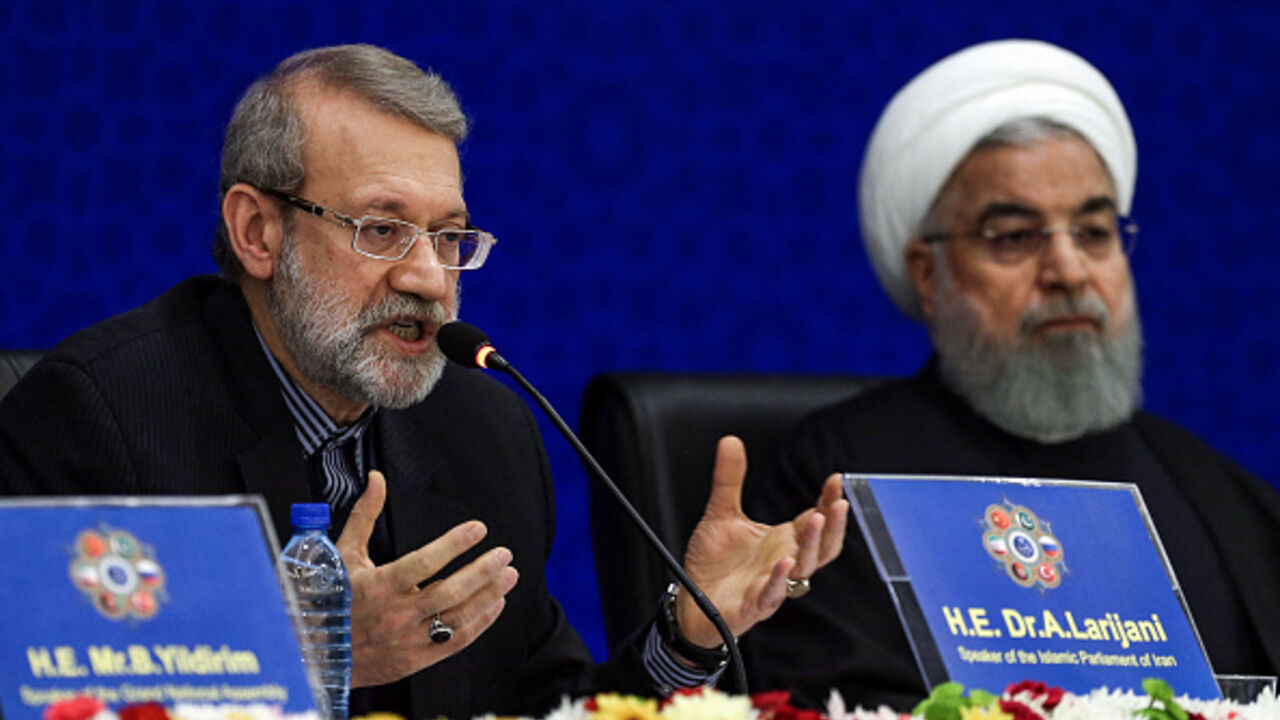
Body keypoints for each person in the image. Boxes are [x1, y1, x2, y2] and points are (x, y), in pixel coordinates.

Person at [0, 45, 849, 718]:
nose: (429, 279)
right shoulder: (102, 416)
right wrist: (308, 662)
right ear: (257, 232)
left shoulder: (481, 426)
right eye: (381, 229)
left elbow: (539, 708)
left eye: (448, 237)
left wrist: (688, 637)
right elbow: (53, 701)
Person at [744, 39, 1280, 710]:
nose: (1069, 272)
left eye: (1093, 232)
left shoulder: (1220, 496)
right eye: (1015, 238)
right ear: (927, 273)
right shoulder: (839, 484)